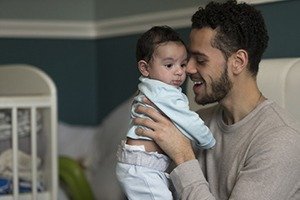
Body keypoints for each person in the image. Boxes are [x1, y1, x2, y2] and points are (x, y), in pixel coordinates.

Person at [133, 1, 300, 200]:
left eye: (201, 60)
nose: (187, 69)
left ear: (237, 62)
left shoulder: (281, 140)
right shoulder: (196, 121)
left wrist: (183, 155)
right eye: (189, 58)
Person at [116, 26, 216, 199]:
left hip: (141, 165)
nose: (179, 71)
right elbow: (187, 120)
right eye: (169, 65)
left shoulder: (150, 87)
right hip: (144, 168)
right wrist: (208, 140)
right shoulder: (164, 93)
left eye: (183, 64)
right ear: (145, 68)